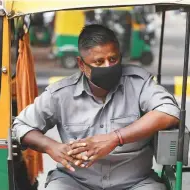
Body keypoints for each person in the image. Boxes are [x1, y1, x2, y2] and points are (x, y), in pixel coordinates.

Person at [13, 24, 179, 190]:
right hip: (76, 182)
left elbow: (169, 111)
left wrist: (116, 138)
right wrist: (51, 146)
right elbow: (21, 125)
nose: (108, 66)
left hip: (135, 182)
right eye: (99, 62)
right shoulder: (60, 94)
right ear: (81, 64)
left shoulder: (139, 83)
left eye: (113, 59)